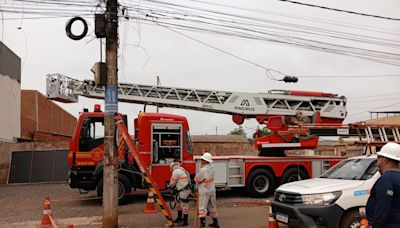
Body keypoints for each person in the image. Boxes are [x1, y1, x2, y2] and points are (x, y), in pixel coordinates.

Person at [366, 142, 400, 228]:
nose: (377, 159)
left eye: (379, 157)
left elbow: (383, 207)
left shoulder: (386, 179)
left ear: (386, 160)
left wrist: (375, 225)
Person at [194, 152, 219, 228]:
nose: (201, 160)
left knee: (202, 209)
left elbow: (196, 179)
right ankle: (216, 223)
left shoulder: (203, 170)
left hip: (204, 191)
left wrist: (201, 169)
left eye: (203, 159)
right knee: (212, 207)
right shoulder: (213, 167)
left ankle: (202, 225)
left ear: (206, 161)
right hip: (211, 190)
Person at [169, 162, 192, 226]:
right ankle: (179, 218)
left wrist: (170, 186)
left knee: (184, 206)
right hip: (183, 190)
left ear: (172, 167)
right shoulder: (183, 170)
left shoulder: (175, 172)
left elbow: (172, 183)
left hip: (183, 191)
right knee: (178, 204)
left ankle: (185, 221)